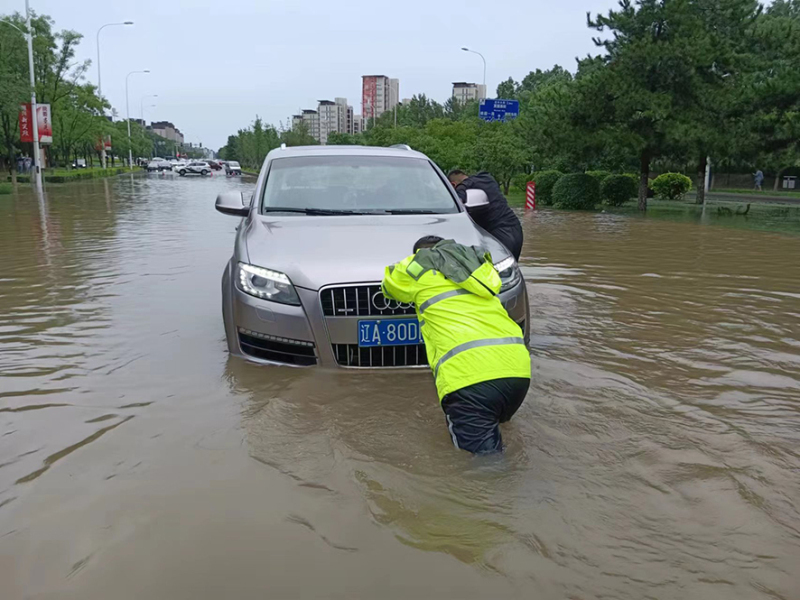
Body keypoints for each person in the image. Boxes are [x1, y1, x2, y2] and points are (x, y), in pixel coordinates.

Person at [382, 236, 531, 454]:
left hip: (470, 381)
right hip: (518, 373)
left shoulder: (420, 267)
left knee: (483, 469)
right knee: (498, 439)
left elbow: (389, 285)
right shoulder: (480, 271)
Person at [447, 170, 524, 261]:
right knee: (509, 270)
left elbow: (459, 198)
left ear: (453, 185)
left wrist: (458, 191)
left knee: (498, 268)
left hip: (498, 232)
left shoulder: (465, 186)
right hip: (515, 228)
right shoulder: (486, 178)